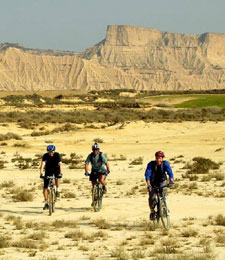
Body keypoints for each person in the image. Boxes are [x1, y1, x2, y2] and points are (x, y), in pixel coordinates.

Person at [145, 151, 174, 220]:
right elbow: (147, 175)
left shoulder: (165, 164)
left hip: (162, 181)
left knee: (163, 194)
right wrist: (149, 185)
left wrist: (171, 181)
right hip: (153, 182)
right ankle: (152, 211)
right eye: (157, 158)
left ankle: (165, 208)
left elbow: (170, 173)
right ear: (155, 158)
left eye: (160, 158)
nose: (159, 160)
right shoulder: (151, 164)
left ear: (162, 158)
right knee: (152, 197)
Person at [40, 145, 63, 210]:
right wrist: (41, 173)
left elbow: (60, 164)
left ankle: (57, 189)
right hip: (48, 170)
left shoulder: (57, 155)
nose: (51, 153)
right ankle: (46, 202)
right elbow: (42, 165)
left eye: (52, 152)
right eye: (49, 152)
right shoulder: (45, 156)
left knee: (57, 178)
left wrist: (61, 173)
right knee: (45, 187)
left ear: (54, 151)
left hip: (56, 169)